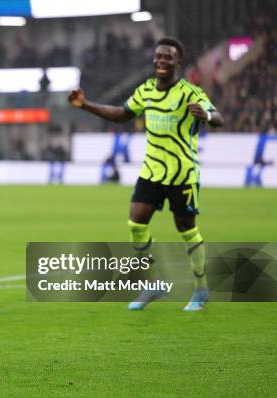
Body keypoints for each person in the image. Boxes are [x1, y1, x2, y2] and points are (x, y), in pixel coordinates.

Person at [67, 37, 224, 311]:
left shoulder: (190, 92)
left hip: (182, 173)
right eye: (159, 57)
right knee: (136, 224)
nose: (162, 61)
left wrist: (207, 116)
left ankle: (201, 289)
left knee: (187, 230)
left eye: (168, 57)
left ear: (178, 62)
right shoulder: (146, 90)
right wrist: (85, 105)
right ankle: (153, 285)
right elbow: (120, 114)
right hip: (152, 171)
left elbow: (218, 117)